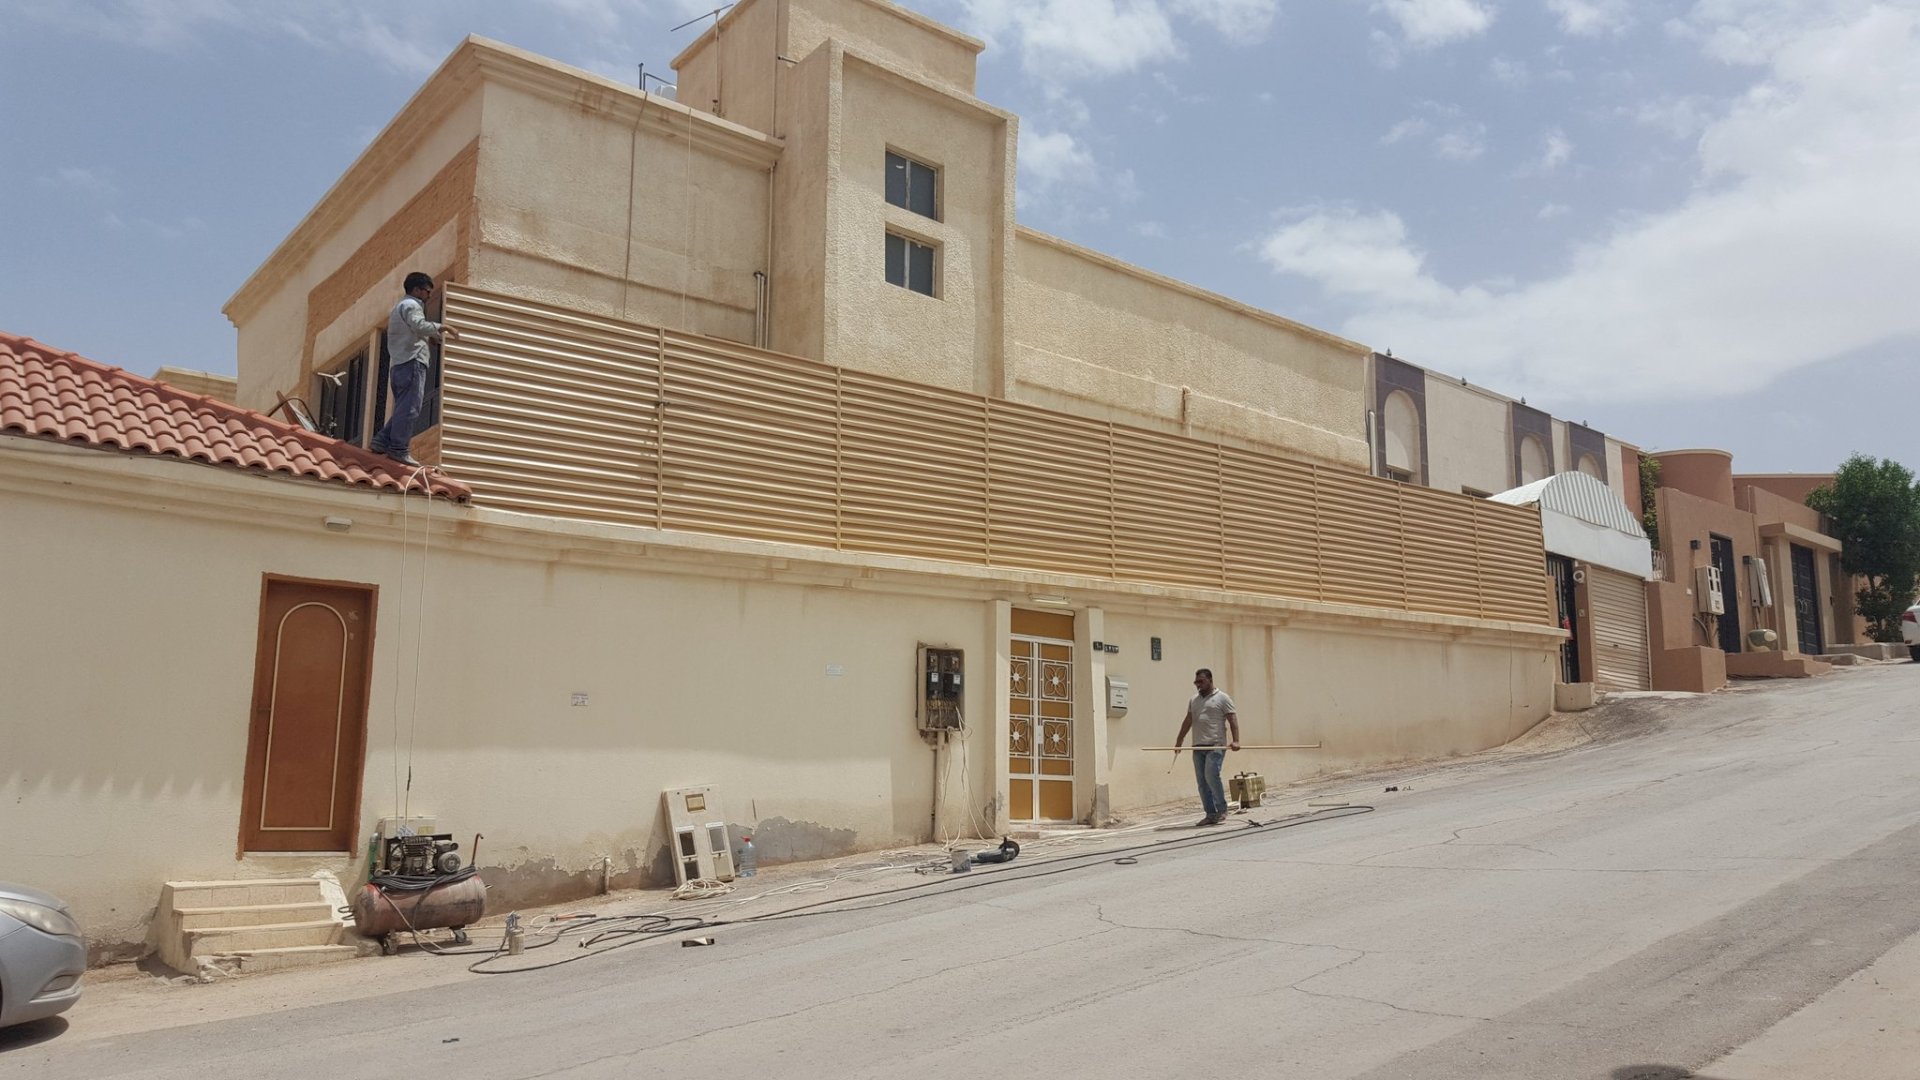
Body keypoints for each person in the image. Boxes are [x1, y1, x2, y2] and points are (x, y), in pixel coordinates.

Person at [370, 271, 458, 466]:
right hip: (412, 363)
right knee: (410, 408)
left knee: (404, 407)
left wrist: (429, 337)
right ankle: (398, 449)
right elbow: (418, 325)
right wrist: (443, 327)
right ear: (417, 290)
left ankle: (382, 441)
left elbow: (412, 331)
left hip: (400, 365)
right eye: (427, 291)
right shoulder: (411, 305)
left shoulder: (400, 307)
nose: (428, 295)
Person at [1173, 667, 1240, 826]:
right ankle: (1210, 814)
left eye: (1201, 681)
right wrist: (1179, 740)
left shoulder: (1222, 698)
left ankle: (1222, 810)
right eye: (1196, 682)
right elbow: (1188, 720)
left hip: (1215, 745)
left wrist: (1236, 740)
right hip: (1198, 747)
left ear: (1210, 680)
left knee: (1211, 776)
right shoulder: (1194, 700)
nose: (1198, 685)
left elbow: (1232, 719)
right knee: (1202, 782)